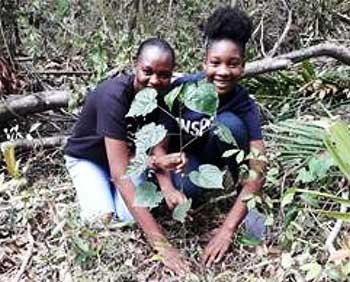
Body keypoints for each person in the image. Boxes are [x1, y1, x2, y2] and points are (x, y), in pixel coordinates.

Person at [64, 38, 191, 275]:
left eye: (164, 75)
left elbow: (157, 148)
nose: (154, 80)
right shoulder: (114, 97)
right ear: (135, 66)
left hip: (130, 159)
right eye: (147, 71)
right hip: (89, 159)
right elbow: (119, 174)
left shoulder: (163, 101)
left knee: (128, 217)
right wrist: (161, 245)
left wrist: (168, 188)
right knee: (101, 219)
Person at [166, 6, 267, 267]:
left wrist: (227, 229)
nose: (223, 71)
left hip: (217, 159)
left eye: (233, 64)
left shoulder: (243, 103)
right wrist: (166, 180)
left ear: (243, 67)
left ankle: (246, 204)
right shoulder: (183, 88)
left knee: (230, 125)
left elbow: (259, 165)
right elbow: (156, 136)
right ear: (204, 63)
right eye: (215, 63)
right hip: (186, 164)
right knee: (187, 191)